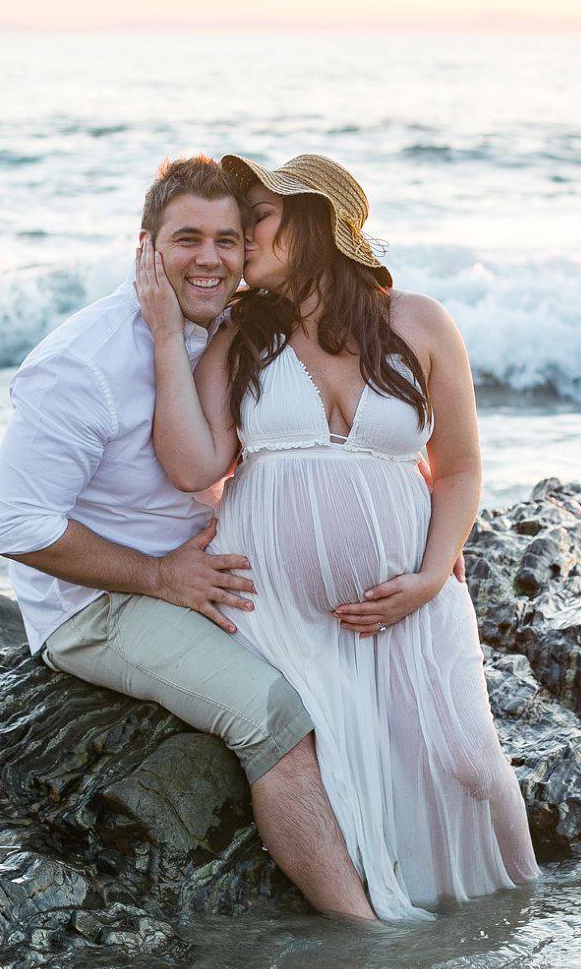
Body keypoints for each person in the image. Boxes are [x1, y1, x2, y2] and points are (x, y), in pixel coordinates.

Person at [138, 152, 538, 920]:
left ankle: (508, 930)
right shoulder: (243, 336)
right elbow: (193, 465)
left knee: (469, 764)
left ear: (317, 222)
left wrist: (427, 575)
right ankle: (389, 947)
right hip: (282, 613)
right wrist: (165, 337)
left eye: (260, 216)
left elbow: (457, 466)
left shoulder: (417, 322)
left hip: (410, 600)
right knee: (350, 783)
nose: (242, 234)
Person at [0, 154, 376, 920]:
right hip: (97, 604)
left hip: (208, 566)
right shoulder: (81, 364)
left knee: (357, 674)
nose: (209, 258)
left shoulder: (234, 328)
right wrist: (163, 578)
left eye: (227, 239)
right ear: (146, 248)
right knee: (277, 718)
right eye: (186, 238)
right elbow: (19, 525)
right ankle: (362, 932)